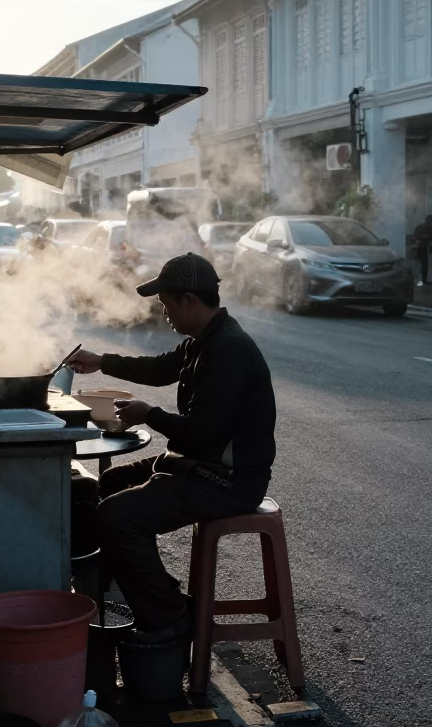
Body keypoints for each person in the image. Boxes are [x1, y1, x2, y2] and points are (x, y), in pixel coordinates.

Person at [68, 252, 276, 644]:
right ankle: (148, 593)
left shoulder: (226, 350)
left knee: (116, 516)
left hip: (228, 479)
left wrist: (149, 414)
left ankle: (170, 619)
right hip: (201, 464)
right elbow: (159, 368)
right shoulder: (203, 340)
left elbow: (199, 436)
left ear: (190, 302)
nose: (163, 313)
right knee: (111, 481)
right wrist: (101, 361)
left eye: (166, 304)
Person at [413, 214, 432, 286]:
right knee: (423, 264)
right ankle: (423, 279)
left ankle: (423, 279)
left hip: (422, 247)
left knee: (422, 264)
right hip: (423, 247)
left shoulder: (422, 227)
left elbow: (416, 236)